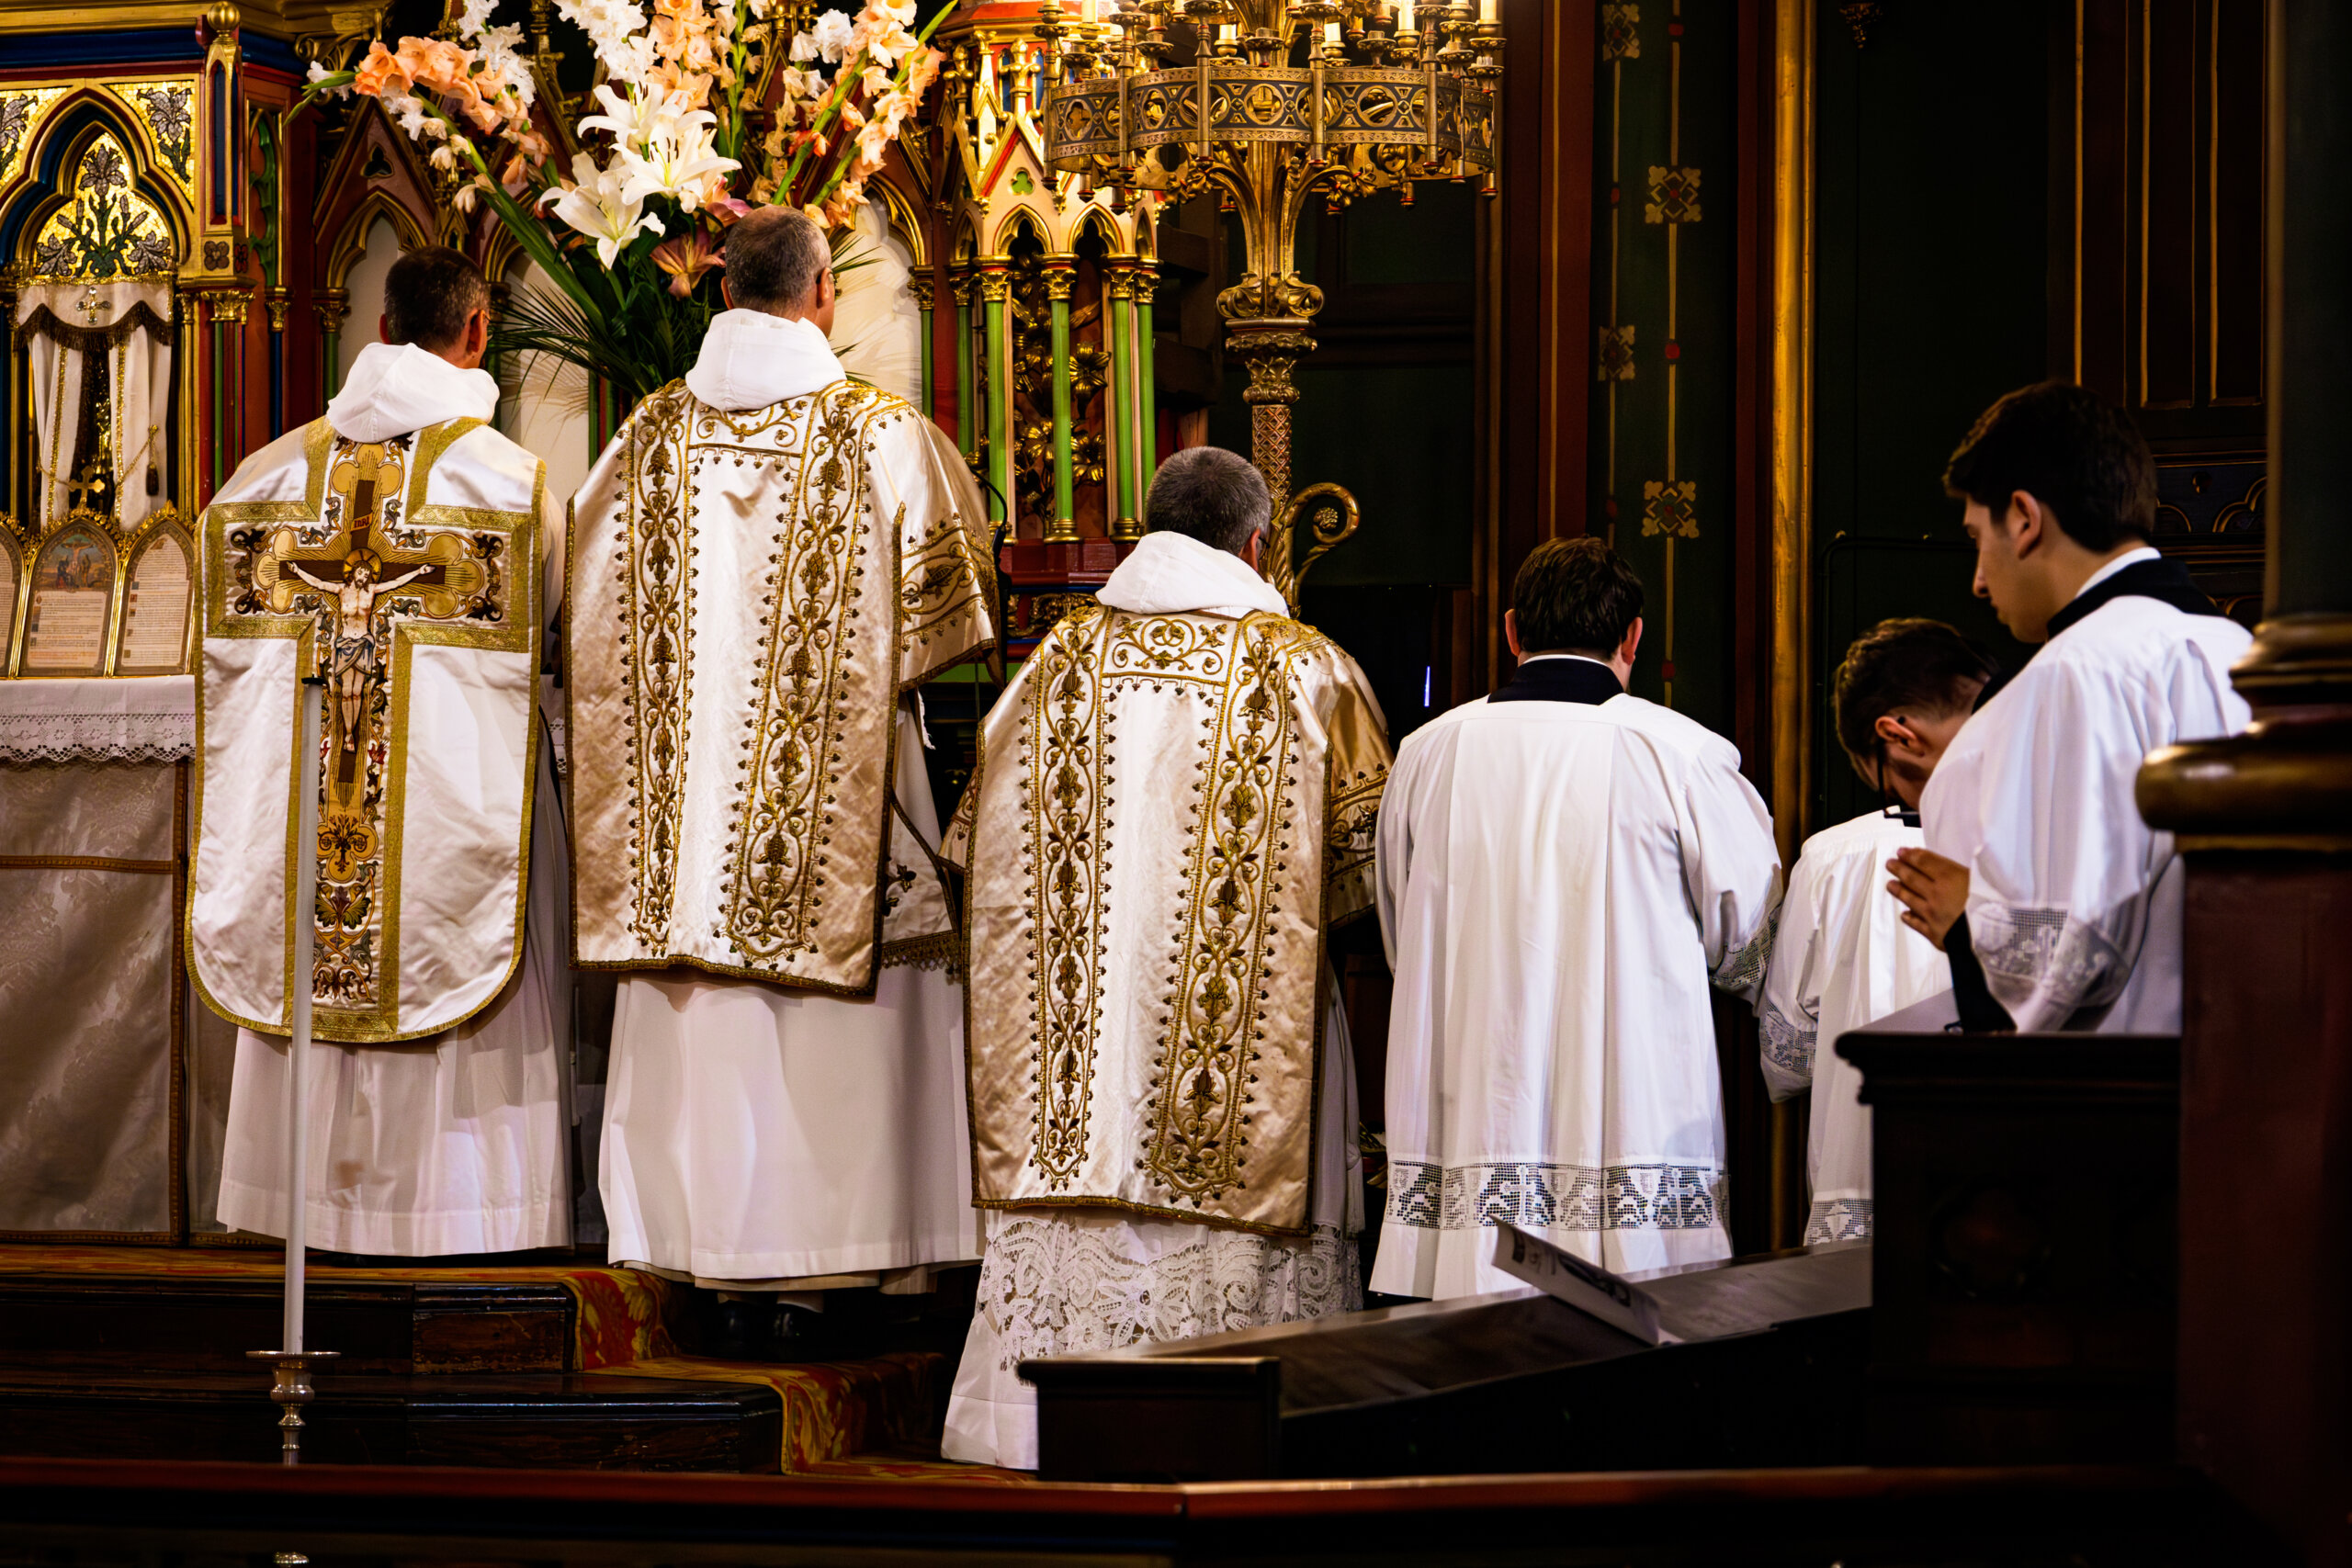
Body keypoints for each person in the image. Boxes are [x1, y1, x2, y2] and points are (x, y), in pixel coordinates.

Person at [567, 208, 997, 1318]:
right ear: (822, 297)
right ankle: (847, 1249)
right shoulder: (883, 436)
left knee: (700, 1001)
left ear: (718, 294)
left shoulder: (641, 440)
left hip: (681, 823)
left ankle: (693, 1243)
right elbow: (950, 622)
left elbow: (586, 622)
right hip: (838, 811)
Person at [939, 446, 1390, 1469]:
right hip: (1243, 1079)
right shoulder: (1307, 669)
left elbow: (974, 850)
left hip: (1075, 1074)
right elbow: (1362, 876)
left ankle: (1027, 1432)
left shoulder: (1053, 666)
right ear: (1258, 543)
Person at [195, 245, 572, 1256]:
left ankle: (300, 1204)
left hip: (314, 801)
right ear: (478, 330)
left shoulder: (260, 481)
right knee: (460, 921)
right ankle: (469, 1210)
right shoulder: (510, 486)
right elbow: (554, 630)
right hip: (456, 808)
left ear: (380, 332)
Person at [1372, 536, 1781, 1300]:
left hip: (1471, 1099)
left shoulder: (1428, 754)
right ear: (1632, 636)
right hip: (1635, 1105)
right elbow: (1750, 940)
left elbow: (1401, 929)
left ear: (1511, 630)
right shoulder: (1683, 755)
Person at [1886, 382, 2251, 1032]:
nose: (1977, 579)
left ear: (2024, 519)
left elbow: (2074, 951)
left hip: (2117, 1091)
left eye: (1978, 538)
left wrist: (1969, 919)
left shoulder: (2077, 669)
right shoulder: (2240, 646)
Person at [1758, 619, 1994, 1244]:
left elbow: (1787, 1057)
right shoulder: (2037, 829)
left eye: (1880, 778)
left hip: (1860, 1165)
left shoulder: (1833, 856)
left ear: (1894, 737)